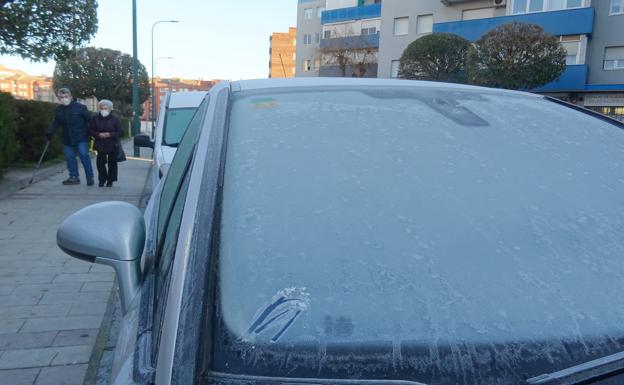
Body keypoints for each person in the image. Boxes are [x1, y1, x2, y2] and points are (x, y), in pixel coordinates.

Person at [46, 88, 95, 186]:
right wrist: (50, 132)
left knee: (84, 156)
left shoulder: (80, 107)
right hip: (67, 138)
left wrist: (91, 132)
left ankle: (89, 177)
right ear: (59, 98)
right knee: (69, 158)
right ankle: (74, 177)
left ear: (71, 97)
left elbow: (90, 120)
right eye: (61, 97)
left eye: (66, 97)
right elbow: (55, 123)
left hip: (81, 137)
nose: (64, 99)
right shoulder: (58, 110)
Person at [89, 100, 123, 187]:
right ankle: (102, 180)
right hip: (100, 143)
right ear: (99, 108)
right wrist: (98, 134)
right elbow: (91, 130)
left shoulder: (115, 119)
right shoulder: (95, 118)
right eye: (102, 108)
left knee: (112, 163)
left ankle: (110, 181)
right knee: (100, 163)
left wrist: (110, 134)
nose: (104, 110)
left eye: (106, 108)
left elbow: (120, 132)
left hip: (112, 144)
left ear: (110, 109)